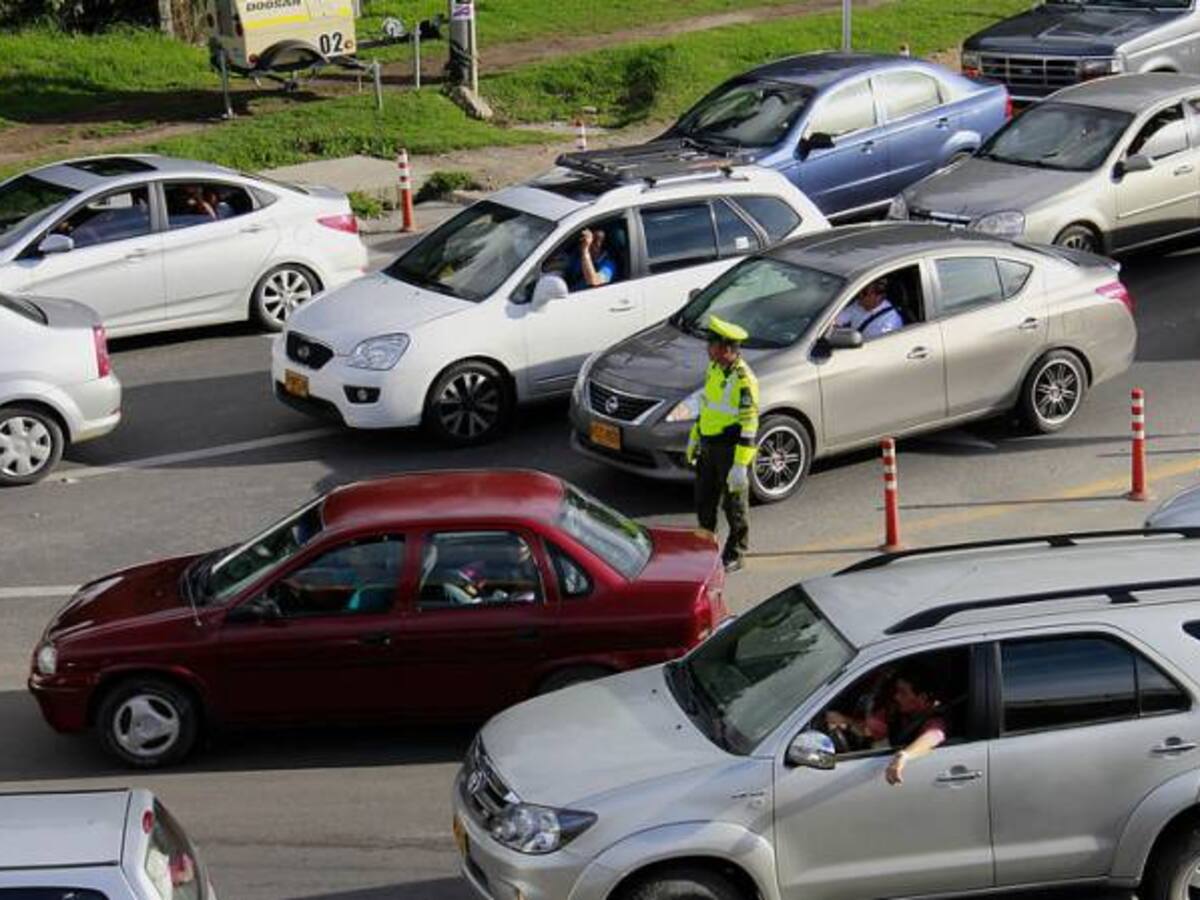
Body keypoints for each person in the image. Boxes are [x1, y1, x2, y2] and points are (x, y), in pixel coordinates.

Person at [686, 315, 759, 573]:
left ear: (727, 348)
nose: (708, 349)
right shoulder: (714, 368)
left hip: (730, 451)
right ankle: (707, 547)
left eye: (712, 345)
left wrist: (740, 466)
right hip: (708, 445)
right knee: (704, 500)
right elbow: (707, 405)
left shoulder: (744, 380)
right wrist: (696, 437)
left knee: (734, 505)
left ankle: (737, 551)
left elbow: (749, 424)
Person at [824, 664, 949, 786]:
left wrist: (904, 756)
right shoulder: (896, 711)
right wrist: (844, 721)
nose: (896, 696)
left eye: (903, 692)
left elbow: (933, 736)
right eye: (897, 691)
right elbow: (869, 729)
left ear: (922, 697)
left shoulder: (934, 721)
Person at [834, 277, 904, 339]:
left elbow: (880, 346)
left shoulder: (891, 321)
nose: (860, 295)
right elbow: (837, 321)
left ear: (878, 297)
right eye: (860, 291)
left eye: (865, 293)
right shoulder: (858, 305)